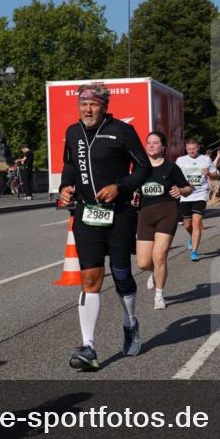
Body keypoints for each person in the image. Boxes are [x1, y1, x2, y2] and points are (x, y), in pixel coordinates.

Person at [59, 82, 151, 369]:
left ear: (104, 106)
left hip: (119, 214)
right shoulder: (73, 133)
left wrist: (120, 186)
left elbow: (144, 167)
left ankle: (131, 322)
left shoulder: (122, 131)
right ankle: (88, 347)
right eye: (83, 103)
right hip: (87, 215)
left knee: (121, 274)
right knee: (90, 279)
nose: (88, 108)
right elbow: (70, 166)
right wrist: (65, 187)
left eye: (94, 104)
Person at [136, 132, 192, 310]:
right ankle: (154, 271)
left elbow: (188, 187)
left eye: (155, 142)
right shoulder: (139, 167)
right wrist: (133, 194)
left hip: (167, 212)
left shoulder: (171, 168)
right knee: (143, 262)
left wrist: (181, 191)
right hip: (145, 214)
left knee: (159, 255)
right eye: (148, 142)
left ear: (163, 147)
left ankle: (159, 294)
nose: (151, 145)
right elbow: (132, 187)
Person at [176, 139, 216, 261]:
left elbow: (216, 175)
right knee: (187, 225)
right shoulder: (180, 160)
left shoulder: (206, 159)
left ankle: (194, 251)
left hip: (201, 194)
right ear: (186, 149)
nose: (192, 151)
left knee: (197, 221)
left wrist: (208, 172)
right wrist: (182, 184)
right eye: (189, 149)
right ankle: (192, 236)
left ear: (198, 147)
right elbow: (175, 176)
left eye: (194, 148)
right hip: (186, 195)